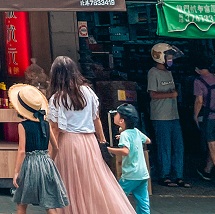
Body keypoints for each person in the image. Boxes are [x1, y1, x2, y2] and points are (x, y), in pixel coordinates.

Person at [46, 56, 135, 214]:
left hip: (68, 143)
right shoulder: (88, 92)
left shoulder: (57, 98)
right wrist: (102, 142)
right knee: (94, 182)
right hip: (89, 142)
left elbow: (55, 129)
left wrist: (49, 157)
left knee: (70, 184)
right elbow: (97, 119)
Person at [9, 84, 69, 214]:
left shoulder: (23, 126)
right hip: (46, 163)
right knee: (50, 203)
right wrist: (49, 161)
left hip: (30, 164)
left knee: (22, 203)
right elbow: (56, 147)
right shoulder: (46, 124)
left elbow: (22, 151)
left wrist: (16, 172)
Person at [147, 43, 190, 188]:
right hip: (160, 116)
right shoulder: (153, 72)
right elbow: (152, 94)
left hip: (173, 115)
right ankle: (164, 175)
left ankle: (178, 175)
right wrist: (171, 94)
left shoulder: (168, 72)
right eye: (168, 57)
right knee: (164, 147)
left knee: (178, 146)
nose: (170, 59)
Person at [108, 104, 152, 214]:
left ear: (122, 120)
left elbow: (125, 151)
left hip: (130, 174)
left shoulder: (125, 134)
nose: (115, 116)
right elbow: (147, 140)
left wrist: (109, 149)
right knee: (143, 202)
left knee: (117, 197)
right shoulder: (136, 131)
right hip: (142, 174)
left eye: (117, 114)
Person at [193, 54, 215, 186]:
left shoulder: (199, 82)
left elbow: (199, 101)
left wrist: (195, 116)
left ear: (198, 69)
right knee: (213, 145)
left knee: (212, 146)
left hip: (208, 118)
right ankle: (207, 171)